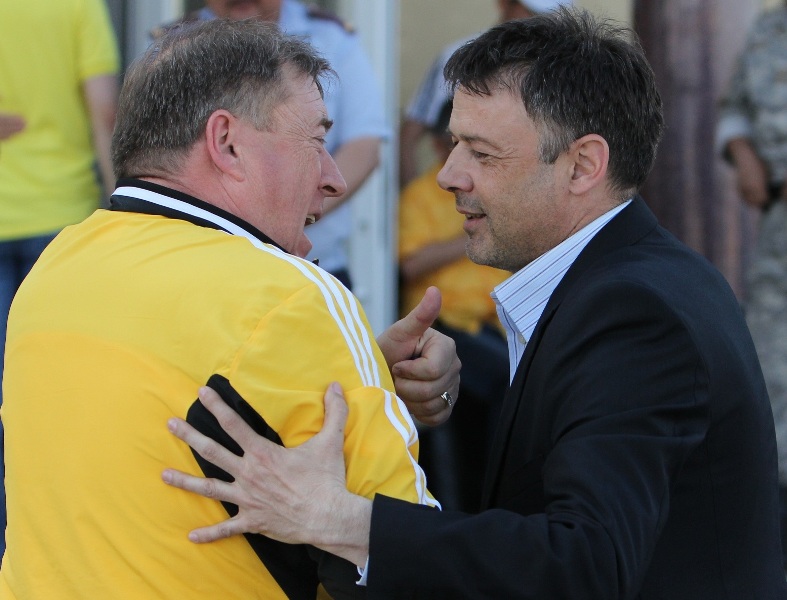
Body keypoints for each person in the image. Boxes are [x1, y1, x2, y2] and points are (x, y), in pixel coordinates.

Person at [163, 8, 787, 598]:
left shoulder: (634, 313)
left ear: (583, 166)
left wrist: (338, 519)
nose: (448, 175)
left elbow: (583, 564)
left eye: (482, 153)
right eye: (455, 143)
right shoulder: (627, 282)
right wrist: (384, 381)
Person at [0, 19, 459, 598]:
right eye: (317, 140)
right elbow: (416, 573)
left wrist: (367, 368)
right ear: (227, 143)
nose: (335, 179)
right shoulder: (292, 296)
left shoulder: (55, 269)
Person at [154, 0, 387, 289]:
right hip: (203, 267)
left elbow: (364, 147)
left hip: (314, 267)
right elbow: (157, 160)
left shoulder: (332, 37)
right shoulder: (171, 46)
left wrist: (292, 214)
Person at [0, 0, 119, 558]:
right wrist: (126, 209)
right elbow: (105, 114)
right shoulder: (78, 6)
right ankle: (51, 540)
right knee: (59, 394)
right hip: (62, 219)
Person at [398, 99, 509, 511]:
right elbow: (409, 264)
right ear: (434, 144)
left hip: (492, 321)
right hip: (443, 325)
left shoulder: (493, 191)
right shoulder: (421, 196)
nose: (459, 157)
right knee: (507, 381)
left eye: (476, 148)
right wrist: (472, 234)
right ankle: (495, 499)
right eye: (452, 143)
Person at [716, 0, 787, 569]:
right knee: (771, 370)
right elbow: (736, 104)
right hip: (778, 228)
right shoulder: (770, 26)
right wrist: (742, 153)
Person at [399, 0, 572, 187]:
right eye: (533, 13)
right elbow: (408, 138)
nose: (542, 24)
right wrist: (416, 197)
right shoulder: (456, 57)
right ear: (504, 4)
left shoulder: (567, 68)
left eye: (552, 17)